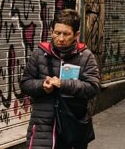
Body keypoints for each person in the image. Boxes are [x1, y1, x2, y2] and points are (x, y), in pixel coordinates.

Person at [20, 9, 100, 148]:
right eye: (57, 33)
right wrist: (42, 86)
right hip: (43, 126)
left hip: (72, 126)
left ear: (76, 35)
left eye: (66, 34)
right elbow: (25, 83)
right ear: (51, 31)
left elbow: (92, 87)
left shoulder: (85, 56)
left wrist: (62, 84)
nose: (61, 38)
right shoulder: (39, 54)